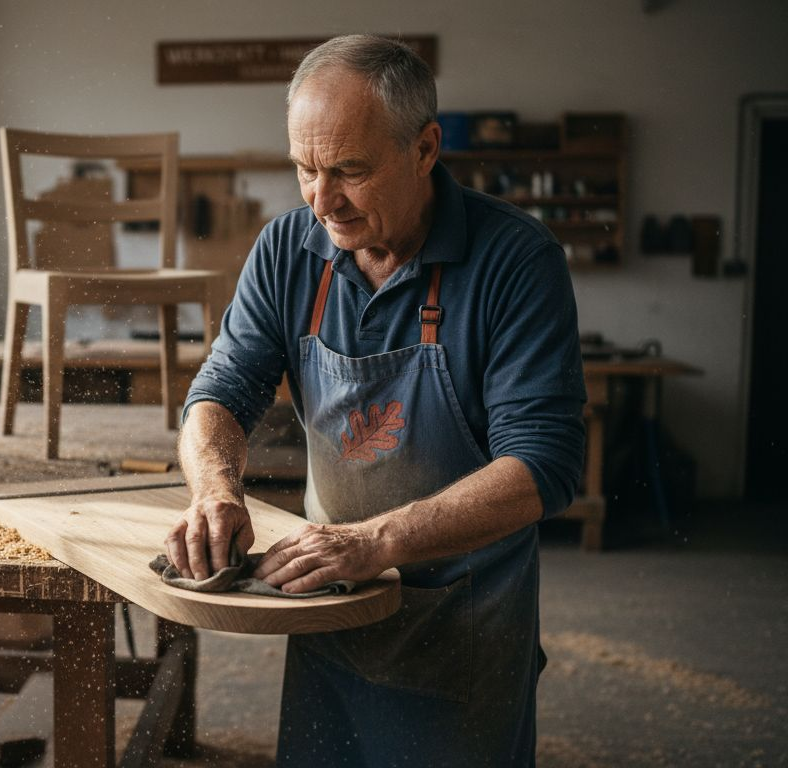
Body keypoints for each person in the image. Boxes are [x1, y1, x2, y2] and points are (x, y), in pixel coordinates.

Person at [165, 34, 586, 766]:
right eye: (305, 169)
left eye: (349, 172)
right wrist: (214, 489)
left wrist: (374, 542)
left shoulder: (517, 261)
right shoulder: (288, 248)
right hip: (328, 612)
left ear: (425, 149)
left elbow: (543, 466)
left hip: (465, 626)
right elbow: (222, 391)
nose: (322, 201)